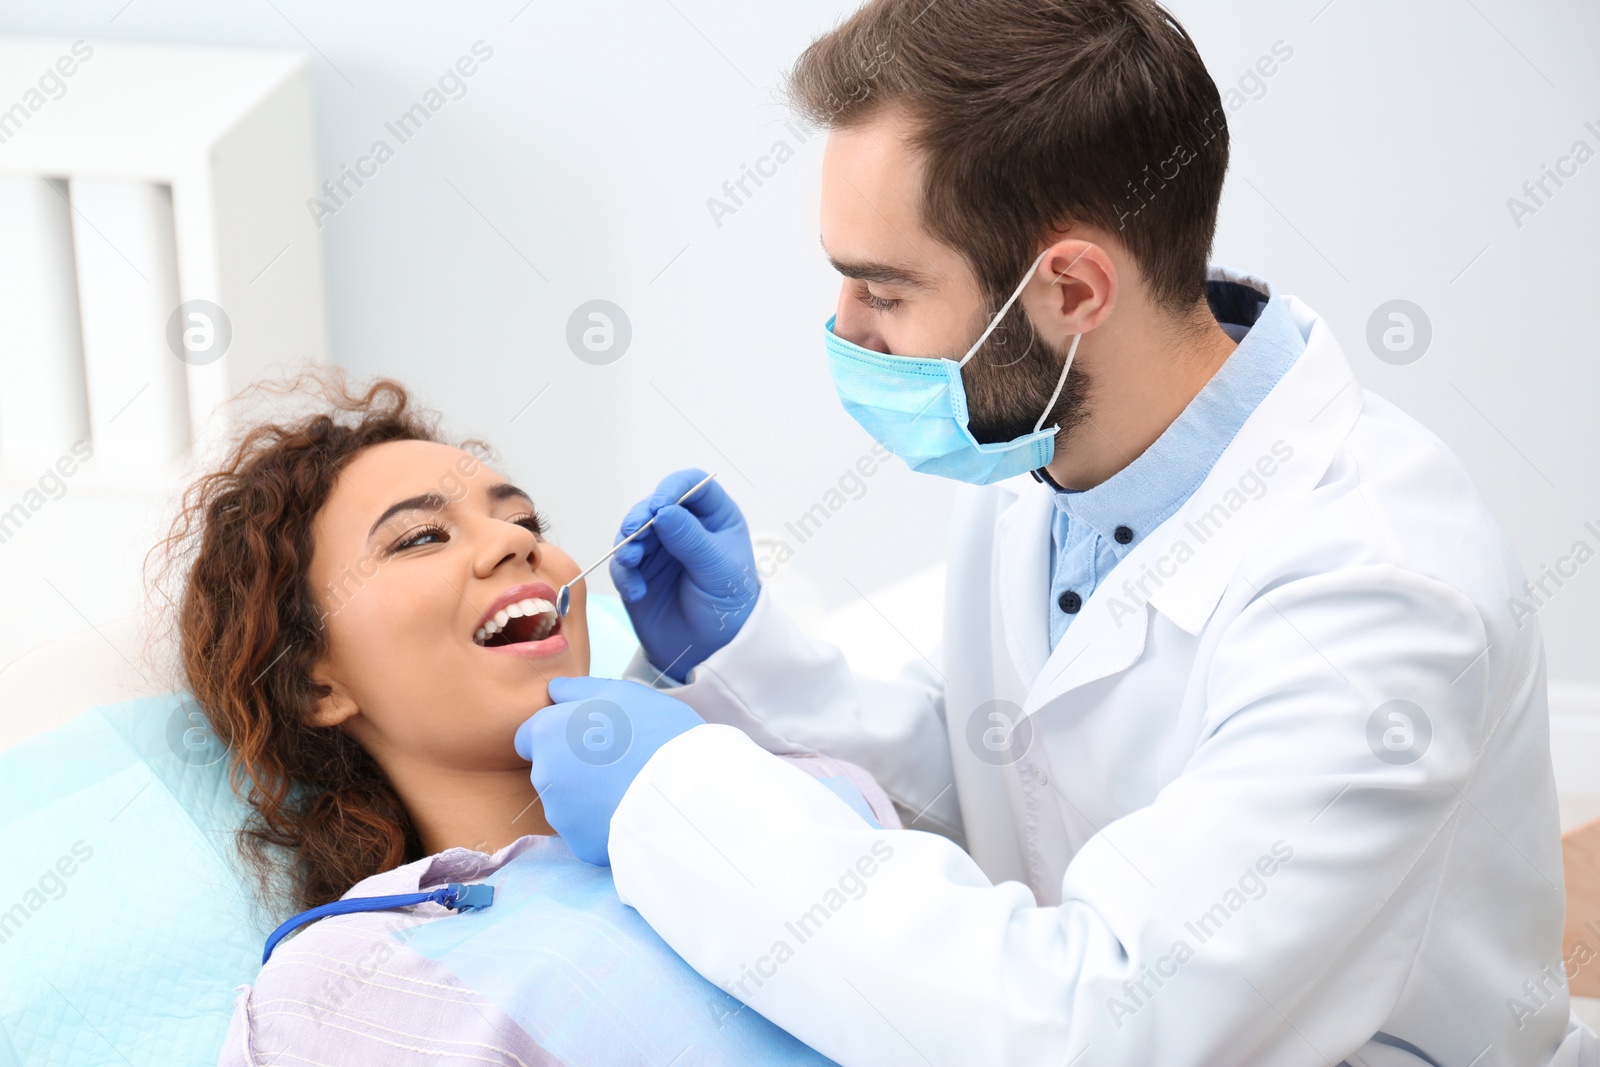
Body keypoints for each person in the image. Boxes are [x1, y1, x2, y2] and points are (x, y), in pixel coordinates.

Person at [516, 1, 1596, 1064]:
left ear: (1071, 287)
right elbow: (1015, 776)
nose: (844, 327)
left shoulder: (1377, 590)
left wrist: (685, 811)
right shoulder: (1047, 438)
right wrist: (749, 658)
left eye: (882, 287)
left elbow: (1106, 1022)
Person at [154, 374, 894, 1064]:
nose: (516, 541)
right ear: (317, 685)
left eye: (522, 518)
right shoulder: (343, 986)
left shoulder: (800, 787)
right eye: (420, 537)